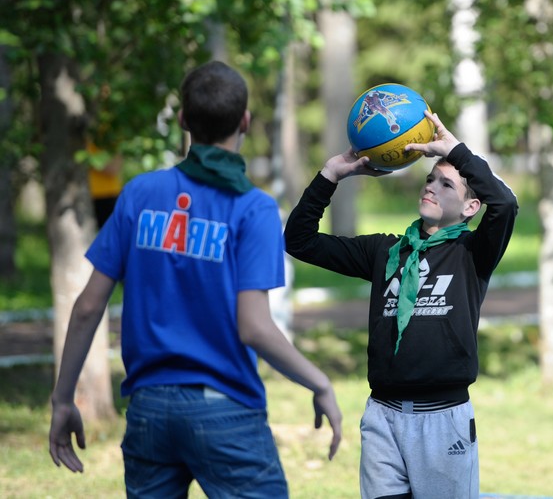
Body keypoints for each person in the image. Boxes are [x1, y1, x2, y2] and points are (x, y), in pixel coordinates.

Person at [49, 60, 342, 498]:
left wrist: (62, 399)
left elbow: (89, 306)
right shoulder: (253, 207)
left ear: (184, 120)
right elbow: (255, 327)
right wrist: (319, 382)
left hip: (148, 410)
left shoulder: (139, 193)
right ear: (244, 121)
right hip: (225, 408)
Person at [284, 111, 518, 499]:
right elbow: (299, 240)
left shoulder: (472, 252)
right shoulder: (385, 250)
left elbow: (506, 205)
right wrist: (331, 175)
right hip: (383, 416)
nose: (431, 186)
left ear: (471, 208)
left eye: (447, 184)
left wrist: (455, 152)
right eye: (430, 179)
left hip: (443, 419)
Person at [87, 140, 124, 229]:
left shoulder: (108, 133)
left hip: (108, 195)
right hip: (84, 197)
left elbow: (114, 168)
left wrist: (87, 159)